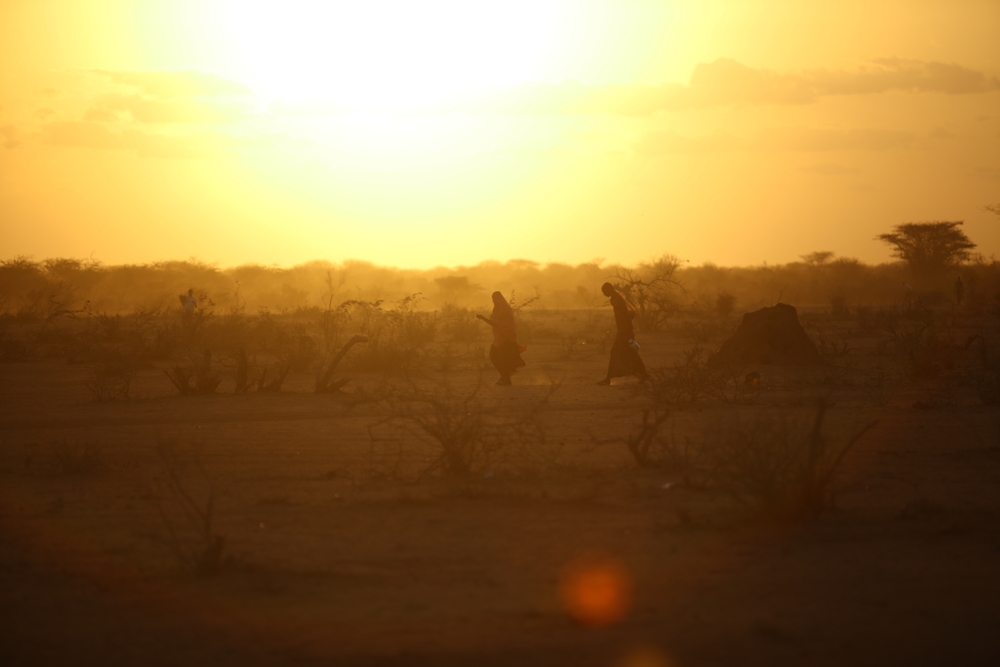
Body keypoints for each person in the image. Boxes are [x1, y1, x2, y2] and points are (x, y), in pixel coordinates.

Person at [597, 282, 647, 385]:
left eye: (604, 291)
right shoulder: (616, 299)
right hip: (624, 331)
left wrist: (628, 333)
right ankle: (643, 374)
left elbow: (625, 317)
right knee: (631, 353)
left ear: (609, 290)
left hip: (624, 332)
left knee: (615, 352)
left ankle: (608, 379)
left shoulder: (617, 300)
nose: (604, 294)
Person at [476, 291, 526, 385]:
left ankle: (506, 379)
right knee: (494, 356)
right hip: (499, 338)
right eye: (493, 299)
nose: (494, 301)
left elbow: (496, 323)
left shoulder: (505, 310)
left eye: (495, 299)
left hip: (507, 338)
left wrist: (483, 318)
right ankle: (504, 377)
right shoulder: (497, 309)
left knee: (503, 360)